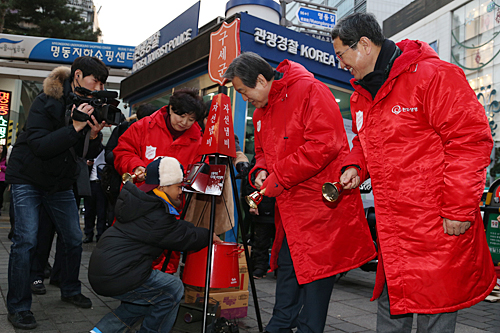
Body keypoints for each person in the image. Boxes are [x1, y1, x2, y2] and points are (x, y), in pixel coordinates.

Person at [332, 13, 497, 333]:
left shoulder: (434, 76)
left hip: (436, 226)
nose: (342, 64)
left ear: (364, 45)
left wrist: (460, 208)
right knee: (393, 307)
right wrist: (355, 166)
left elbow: (471, 141)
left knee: (436, 310)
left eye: (342, 55)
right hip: (395, 231)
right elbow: (365, 143)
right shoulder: (361, 97)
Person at [223, 52, 376, 333]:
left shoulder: (309, 90)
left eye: (244, 92)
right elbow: (263, 154)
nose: (245, 99)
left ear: (260, 79)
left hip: (320, 210)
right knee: (287, 275)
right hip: (290, 212)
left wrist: (278, 176)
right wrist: (261, 170)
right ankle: (279, 326)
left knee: (316, 283)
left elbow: (325, 144)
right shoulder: (260, 113)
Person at [5, 56, 108, 329]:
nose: (98, 87)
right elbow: (40, 146)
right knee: (25, 241)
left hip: (60, 183)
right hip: (28, 178)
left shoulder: (91, 106)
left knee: (74, 238)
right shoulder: (46, 101)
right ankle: (18, 307)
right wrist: (74, 127)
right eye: (94, 80)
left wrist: (94, 136)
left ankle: (70, 288)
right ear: (77, 76)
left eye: (102, 83)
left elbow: (85, 156)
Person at [88, 156, 215, 333]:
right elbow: (181, 237)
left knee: (143, 302)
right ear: (163, 186)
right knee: (172, 289)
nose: (181, 192)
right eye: (178, 187)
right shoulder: (156, 214)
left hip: (106, 270)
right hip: (119, 273)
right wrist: (209, 235)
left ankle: (100, 331)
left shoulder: (145, 202)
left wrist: (196, 229)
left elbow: (174, 228)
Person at [113, 88, 205, 274]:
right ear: (171, 108)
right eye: (181, 116)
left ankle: (163, 291)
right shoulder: (144, 126)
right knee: (131, 256)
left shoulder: (198, 140)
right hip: (139, 204)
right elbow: (122, 151)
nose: (185, 123)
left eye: (191, 119)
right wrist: (136, 166)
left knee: (167, 259)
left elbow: (201, 171)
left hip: (172, 209)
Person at [83, 149, 107, 243]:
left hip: (101, 184)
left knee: (101, 211)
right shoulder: (88, 152)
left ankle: (100, 234)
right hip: (90, 184)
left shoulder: (104, 152)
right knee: (89, 211)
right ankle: (88, 234)